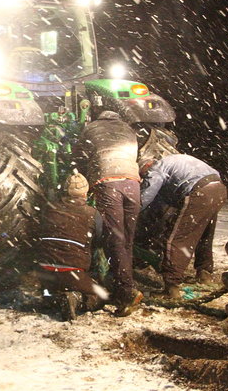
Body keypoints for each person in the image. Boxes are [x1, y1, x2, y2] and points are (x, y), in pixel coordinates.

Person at [75, 110, 143, 317]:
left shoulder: (92, 128)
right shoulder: (129, 129)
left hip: (107, 182)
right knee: (127, 239)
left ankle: (126, 291)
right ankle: (124, 283)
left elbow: (80, 154)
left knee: (114, 239)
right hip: (133, 182)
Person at [139, 153, 228, 299]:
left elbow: (147, 196)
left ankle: (171, 287)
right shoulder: (176, 159)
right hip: (218, 189)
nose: (145, 177)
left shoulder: (156, 168)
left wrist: (131, 212)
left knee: (177, 239)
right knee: (204, 234)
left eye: (143, 174)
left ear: (147, 165)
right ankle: (204, 274)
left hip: (199, 192)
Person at [36, 173, 107, 321]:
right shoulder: (92, 213)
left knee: (51, 291)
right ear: (85, 192)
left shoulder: (49, 209)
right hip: (72, 272)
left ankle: (53, 297)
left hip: (45, 271)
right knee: (102, 295)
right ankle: (75, 298)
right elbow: (100, 241)